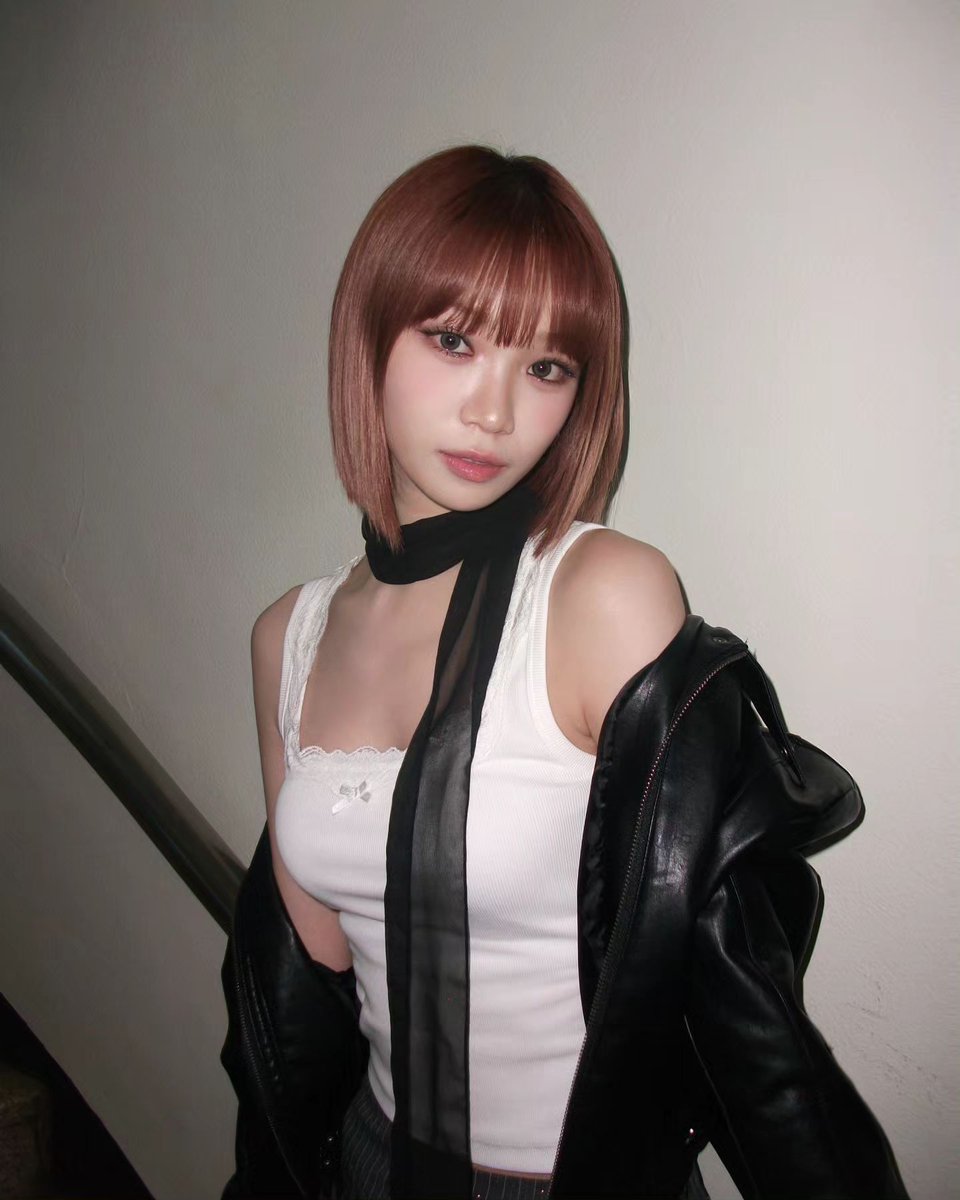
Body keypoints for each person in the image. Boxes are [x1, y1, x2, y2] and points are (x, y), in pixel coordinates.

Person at [220, 146, 907, 1200]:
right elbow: (313, 979)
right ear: (368, 338)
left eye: (546, 367)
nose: (495, 413)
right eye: (454, 340)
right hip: (368, 1162)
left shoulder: (604, 598)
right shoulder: (288, 637)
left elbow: (733, 978)